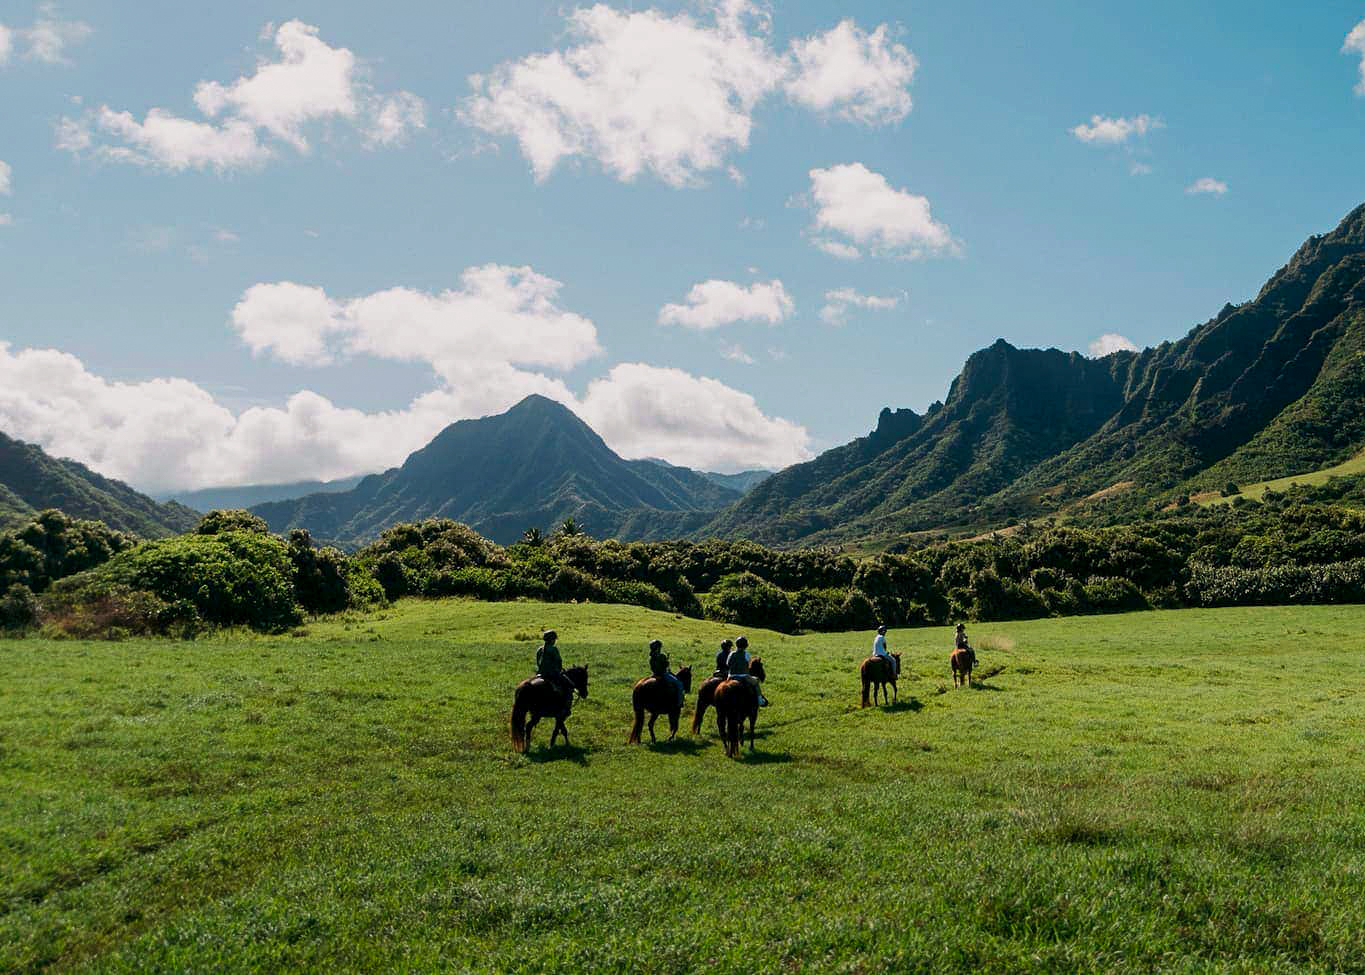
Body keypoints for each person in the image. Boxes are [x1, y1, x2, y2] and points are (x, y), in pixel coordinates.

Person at [726, 635, 769, 707]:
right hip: (744, 676)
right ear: (745, 646)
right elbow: (749, 665)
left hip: (731, 676)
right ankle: (760, 701)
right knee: (756, 683)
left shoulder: (731, 654)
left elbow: (728, 664)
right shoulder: (746, 654)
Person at [535, 629, 572, 699]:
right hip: (552, 674)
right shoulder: (553, 649)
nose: (555, 641)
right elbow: (558, 661)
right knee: (566, 684)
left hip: (540, 673)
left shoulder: (539, 649)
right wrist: (560, 670)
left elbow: (538, 662)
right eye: (554, 639)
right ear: (551, 640)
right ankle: (566, 701)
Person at [649, 638, 684, 710]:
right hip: (663, 674)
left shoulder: (651, 657)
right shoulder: (662, 656)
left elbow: (653, 667)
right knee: (679, 684)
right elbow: (664, 667)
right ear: (658, 648)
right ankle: (679, 703)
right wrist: (666, 662)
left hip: (654, 674)